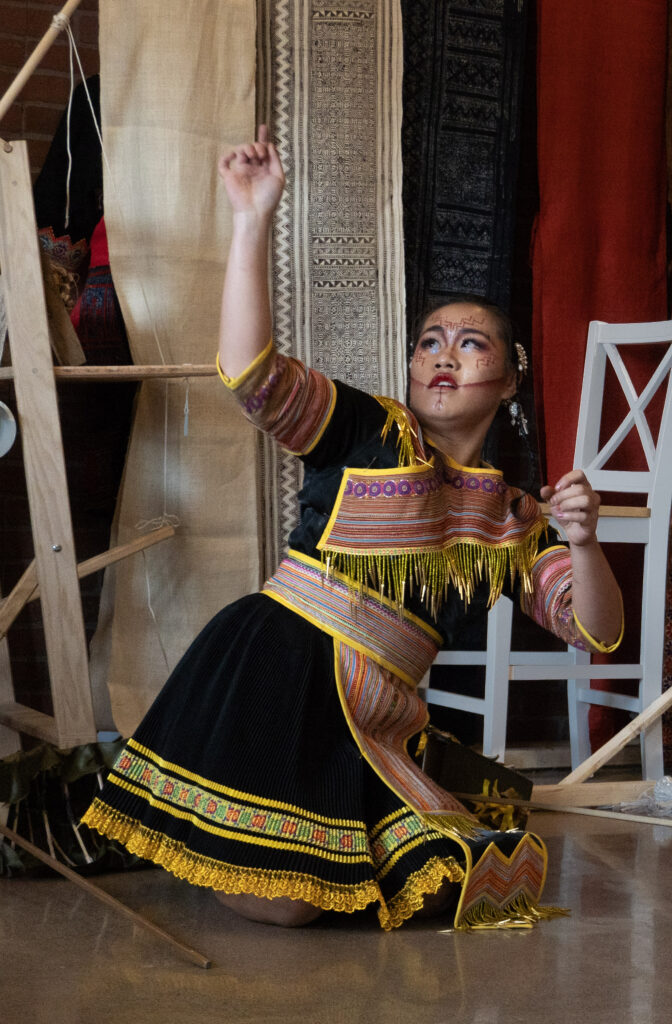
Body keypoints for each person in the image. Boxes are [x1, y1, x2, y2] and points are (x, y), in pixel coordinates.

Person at [82, 127, 623, 931]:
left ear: (508, 381)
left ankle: (250, 844)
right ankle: (215, 847)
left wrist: (581, 540)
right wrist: (251, 218)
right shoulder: (369, 429)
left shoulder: (509, 517)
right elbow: (253, 375)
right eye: (429, 342)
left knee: (451, 878)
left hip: (379, 713)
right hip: (279, 670)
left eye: (471, 344)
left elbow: (593, 629)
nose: (444, 355)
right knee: (299, 907)